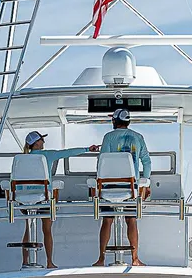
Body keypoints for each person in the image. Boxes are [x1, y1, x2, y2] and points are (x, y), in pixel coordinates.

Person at [19, 131, 100, 269]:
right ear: (36, 143)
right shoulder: (47, 155)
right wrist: (87, 149)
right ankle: (49, 262)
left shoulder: (21, 159)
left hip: (26, 199)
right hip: (44, 197)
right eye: (42, 140)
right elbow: (67, 152)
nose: (44, 142)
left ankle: (25, 261)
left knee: (28, 228)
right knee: (47, 230)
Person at [93, 109, 151, 267]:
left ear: (114, 121)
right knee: (131, 220)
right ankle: (135, 259)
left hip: (109, 187)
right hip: (131, 188)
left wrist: (99, 184)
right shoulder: (138, 137)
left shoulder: (108, 137)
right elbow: (147, 161)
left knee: (107, 220)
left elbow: (102, 161)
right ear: (128, 122)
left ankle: (101, 259)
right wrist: (146, 183)